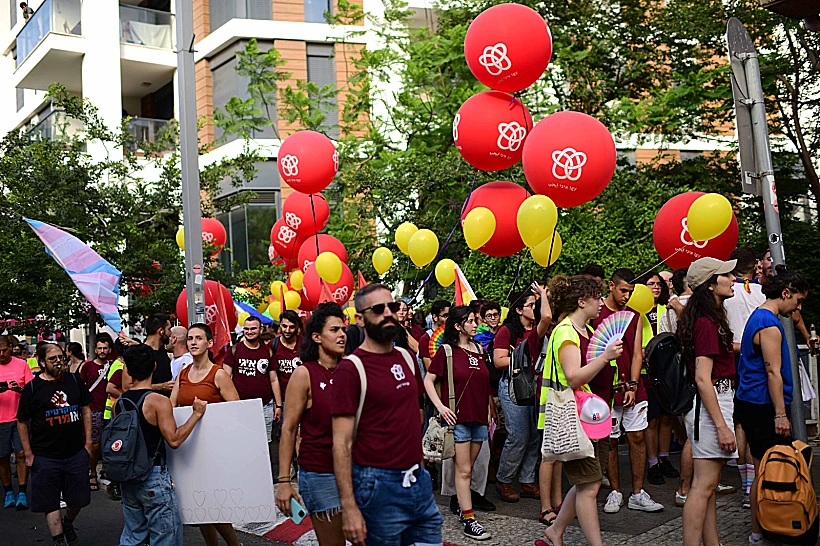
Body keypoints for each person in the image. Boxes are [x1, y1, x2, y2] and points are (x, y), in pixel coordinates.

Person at [331, 283, 442, 546]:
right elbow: (341, 444)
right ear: (360, 319)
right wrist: (349, 508)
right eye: (378, 309)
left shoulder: (405, 357)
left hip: (418, 481)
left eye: (391, 307)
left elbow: (413, 418)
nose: (388, 313)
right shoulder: (351, 369)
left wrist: (421, 468)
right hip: (377, 486)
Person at [538, 275, 623, 546]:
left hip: (588, 416)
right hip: (573, 416)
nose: (601, 303)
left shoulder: (585, 329)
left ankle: (555, 531)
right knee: (589, 486)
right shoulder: (566, 331)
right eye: (597, 297)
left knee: (590, 482)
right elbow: (573, 377)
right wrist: (605, 357)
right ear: (581, 301)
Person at [735, 266, 809, 545]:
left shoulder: (761, 317)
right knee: (768, 470)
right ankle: (762, 531)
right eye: (798, 300)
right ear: (785, 293)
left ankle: (764, 529)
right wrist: (780, 414)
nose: (798, 307)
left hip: (756, 403)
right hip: (762, 405)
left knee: (764, 469)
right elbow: (772, 372)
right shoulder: (768, 323)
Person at [118, 343, 207, 546]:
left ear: (129, 370)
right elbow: (174, 440)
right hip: (153, 476)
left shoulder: (120, 402)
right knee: (165, 537)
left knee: (133, 537)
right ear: (154, 367)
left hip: (128, 476)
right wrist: (196, 414)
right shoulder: (157, 401)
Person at [678, 258, 739, 546]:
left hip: (712, 403)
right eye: (726, 275)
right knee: (702, 486)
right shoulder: (706, 323)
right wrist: (722, 427)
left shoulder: (706, 319)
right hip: (709, 406)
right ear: (711, 284)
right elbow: (703, 378)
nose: (733, 278)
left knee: (708, 486)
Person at [276, 303, 347, 546]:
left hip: (357, 471)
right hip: (320, 473)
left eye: (343, 329)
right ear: (316, 337)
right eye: (334, 329)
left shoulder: (350, 370)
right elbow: (288, 429)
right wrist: (285, 482)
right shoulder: (304, 374)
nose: (342, 335)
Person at [597, 269, 663, 514]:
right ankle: (615, 491)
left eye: (631, 292)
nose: (627, 295)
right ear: (611, 286)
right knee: (611, 441)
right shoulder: (597, 312)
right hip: (605, 388)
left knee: (637, 437)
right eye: (623, 290)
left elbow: (637, 353)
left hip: (632, 387)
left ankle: (637, 492)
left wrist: (634, 385)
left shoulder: (634, 316)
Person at [425, 305, 492, 540]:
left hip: (479, 419)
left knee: (469, 470)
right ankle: (469, 519)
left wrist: (488, 412)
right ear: (458, 326)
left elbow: (484, 384)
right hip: (458, 420)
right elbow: (428, 380)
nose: (476, 324)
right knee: (463, 472)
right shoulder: (447, 351)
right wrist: (441, 408)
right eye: (471, 321)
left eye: (476, 320)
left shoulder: (480, 349)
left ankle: (464, 510)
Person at [171, 323, 240, 546]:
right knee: (197, 506)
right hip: (187, 450)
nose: (193, 342)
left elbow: (236, 410)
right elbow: (171, 408)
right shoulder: (182, 374)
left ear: (209, 343)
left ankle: (234, 544)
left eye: (198, 338)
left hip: (213, 451)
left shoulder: (218, 374)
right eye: (190, 338)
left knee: (213, 505)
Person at [17, 342, 93, 546]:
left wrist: (87, 443)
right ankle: (59, 540)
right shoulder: (33, 388)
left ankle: (68, 522)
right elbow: (22, 422)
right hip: (45, 456)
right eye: (53, 359)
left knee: (78, 500)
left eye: (61, 357)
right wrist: (28, 453)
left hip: (75, 453)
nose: (59, 361)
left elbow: (85, 409)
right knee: (50, 503)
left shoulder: (74, 381)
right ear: (42, 362)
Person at [493, 283, 552, 504]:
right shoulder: (507, 331)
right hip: (512, 386)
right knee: (518, 435)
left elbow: (547, 317)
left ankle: (527, 481)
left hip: (534, 386)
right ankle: (504, 479)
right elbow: (499, 360)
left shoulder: (537, 330)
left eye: (536, 304)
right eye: (530, 305)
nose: (534, 308)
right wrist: (526, 362)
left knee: (535, 436)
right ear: (518, 310)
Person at [725, 247, 765, 508]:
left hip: (733, 359)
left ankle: (747, 486)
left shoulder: (726, 293)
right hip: (760, 358)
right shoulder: (764, 292)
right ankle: (757, 485)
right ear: (754, 266)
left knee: (740, 421)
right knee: (757, 421)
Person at [642, 273, 679, 486]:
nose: (656, 287)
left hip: (666, 371)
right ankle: (652, 462)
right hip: (646, 372)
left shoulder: (668, 309)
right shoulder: (637, 312)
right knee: (652, 419)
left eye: (658, 284)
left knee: (667, 418)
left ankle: (664, 458)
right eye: (651, 284)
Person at [223, 316, 283, 446]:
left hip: (265, 406)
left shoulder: (268, 351)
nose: (249, 332)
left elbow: (274, 380)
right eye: (246, 329)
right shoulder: (234, 350)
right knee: (242, 442)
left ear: (261, 330)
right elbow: (225, 380)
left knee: (264, 444)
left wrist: (278, 405)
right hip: (240, 406)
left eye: (253, 329)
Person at [0, 335, 33, 509]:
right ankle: (8, 492)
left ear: (11, 348)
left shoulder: (22, 365)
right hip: (1, 420)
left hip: (20, 418)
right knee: (2, 457)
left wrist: (18, 389)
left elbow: (31, 391)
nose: (1, 354)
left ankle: (21, 492)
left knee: (21, 454)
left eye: (4, 350)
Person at [77, 344, 111, 493]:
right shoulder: (87, 367)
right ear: (95, 350)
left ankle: (105, 470)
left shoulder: (113, 365)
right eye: (99, 348)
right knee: (95, 443)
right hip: (93, 409)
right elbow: (80, 385)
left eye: (105, 348)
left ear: (109, 350)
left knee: (108, 442)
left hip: (109, 409)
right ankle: (92, 472)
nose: (102, 351)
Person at [274, 310, 303, 409]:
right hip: (282, 399)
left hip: (304, 398)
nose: (287, 330)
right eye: (284, 326)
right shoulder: (273, 345)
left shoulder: (305, 345)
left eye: (291, 327)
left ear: (297, 327)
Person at [143, 314, 174, 395]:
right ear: (161, 331)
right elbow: (128, 387)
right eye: (169, 329)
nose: (171, 333)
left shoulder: (162, 351)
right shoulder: (141, 353)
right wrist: (160, 386)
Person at [419, 300, 450, 370]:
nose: (449, 319)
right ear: (435, 317)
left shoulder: (454, 335)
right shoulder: (426, 338)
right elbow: (429, 368)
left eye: (450, 315)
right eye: (445, 316)